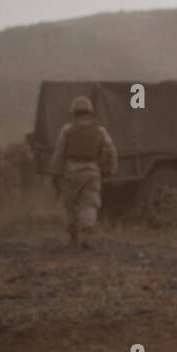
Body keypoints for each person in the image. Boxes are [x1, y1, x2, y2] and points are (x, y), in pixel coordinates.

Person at [50, 96, 117, 248]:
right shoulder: (100, 131)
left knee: (70, 206)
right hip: (92, 172)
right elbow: (111, 151)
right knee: (89, 204)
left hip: (71, 173)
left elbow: (59, 154)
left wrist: (56, 175)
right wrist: (110, 169)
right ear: (90, 112)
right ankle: (86, 237)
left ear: (74, 113)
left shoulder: (67, 130)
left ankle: (73, 238)